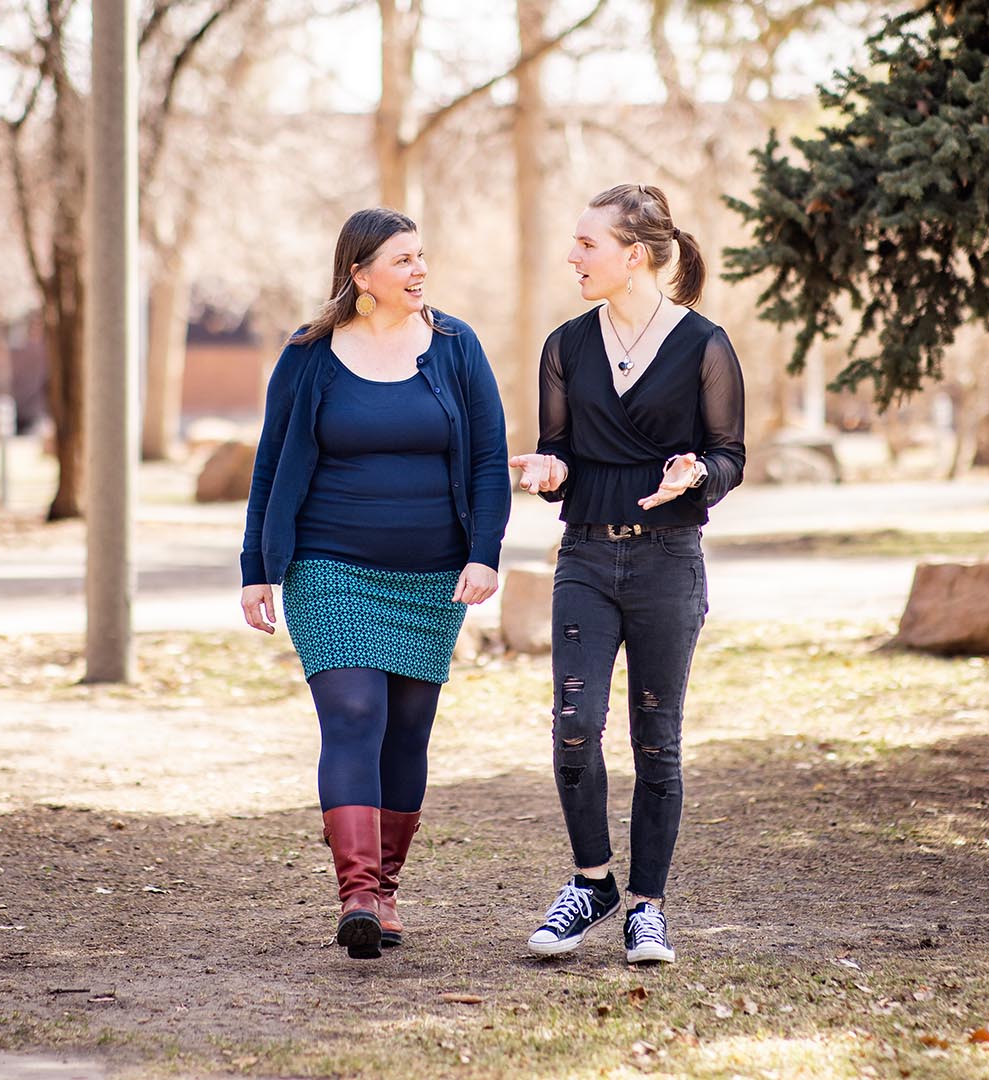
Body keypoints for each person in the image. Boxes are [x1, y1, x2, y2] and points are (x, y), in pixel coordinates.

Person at [239, 208, 509, 960]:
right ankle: (356, 892)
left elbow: (490, 458)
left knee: (408, 732)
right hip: (328, 565)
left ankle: (386, 890)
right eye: (402, 260)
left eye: (421, 257)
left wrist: (484, 553)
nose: (419, 271)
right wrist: (255, 567)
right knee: (355, 712)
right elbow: (269, 467)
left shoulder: (456, 347)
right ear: (360, 275)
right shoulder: (310, 355)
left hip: (431, 576)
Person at [508, 184, 745, 965]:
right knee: (574, 727)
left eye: (587, 244)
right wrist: (547, 470)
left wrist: (695, 474)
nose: (572, 256)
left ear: (633, 255)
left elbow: (730, 456)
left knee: (657, 742)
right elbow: (562, 452)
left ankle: (648, 906)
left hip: (668, 561)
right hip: (582, 556)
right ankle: (591, 883)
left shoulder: (705, 344)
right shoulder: (565, 346)